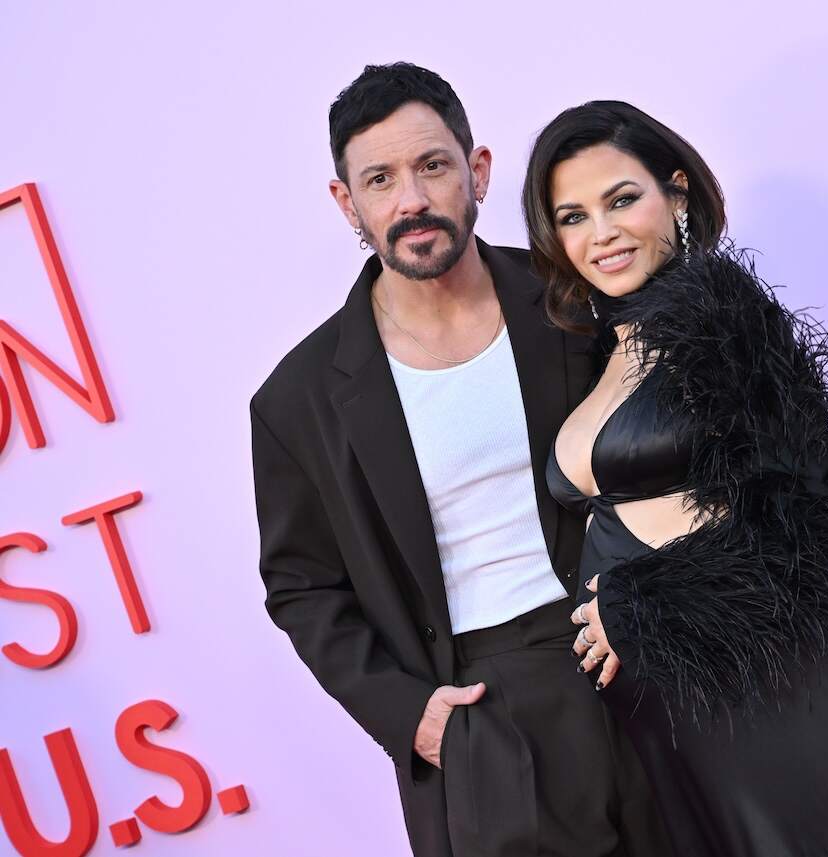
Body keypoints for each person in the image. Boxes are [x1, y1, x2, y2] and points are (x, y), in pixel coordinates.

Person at [522, 100, 828, 857]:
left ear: (677, 193)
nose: (599, 232)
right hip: (688, 714)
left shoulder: (728, 315)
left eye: (621, 199)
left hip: (786, 691)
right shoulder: (609, 348)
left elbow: (808, 513)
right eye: (572, 216)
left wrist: (640, 601)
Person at [250, 67, 671, 857]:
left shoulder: (574, 299)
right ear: (349, 204)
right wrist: (408, 714)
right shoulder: (296, 399)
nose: (410, 198)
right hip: (485, 706)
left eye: (432, 166)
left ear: (476, 171)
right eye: (380, 179)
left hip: (640, 652)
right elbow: (301, 584)